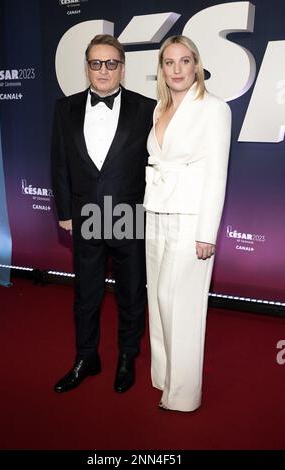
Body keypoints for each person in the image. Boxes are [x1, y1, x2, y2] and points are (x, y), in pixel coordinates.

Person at [51, 34, 155, 394]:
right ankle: (86, 357)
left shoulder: (147, 108)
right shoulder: (64, 108)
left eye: (111, 63)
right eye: (96, 63)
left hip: (129, 213)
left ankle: (127, 356)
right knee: (86, 294)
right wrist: (65, 211)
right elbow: (59, 163)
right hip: (85, 215)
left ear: (122, 68)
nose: (104, 70)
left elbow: (157, 165)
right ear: (87, 68)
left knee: (130, 293)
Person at [143, 35, 232, 412]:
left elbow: (216, 174)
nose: (177, 69)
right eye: (169, 62)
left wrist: (206, 233)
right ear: (162, 69)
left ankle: (183, 395)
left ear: (196, 65)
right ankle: (164, 376)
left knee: (178, 301)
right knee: (156, 298)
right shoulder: (159, 108)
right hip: (156, 212)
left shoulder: (214, 108)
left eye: (184, 61)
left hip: (192, 217)